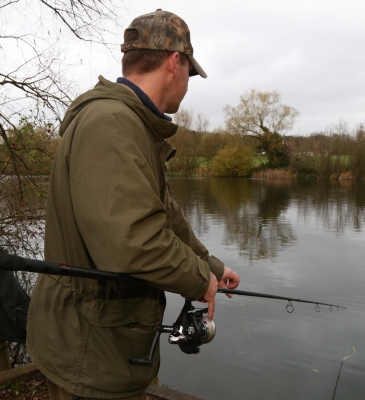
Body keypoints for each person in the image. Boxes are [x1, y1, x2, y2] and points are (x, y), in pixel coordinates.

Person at [26, 9, 240, 400]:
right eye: (191, 74)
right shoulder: (111, 124)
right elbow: (133, 243)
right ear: (175, 63)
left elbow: (162, 215)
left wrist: (209, 266)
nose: (189, 86)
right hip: (89, 353)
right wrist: (198, 281)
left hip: (102, 346)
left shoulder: (130, 124)